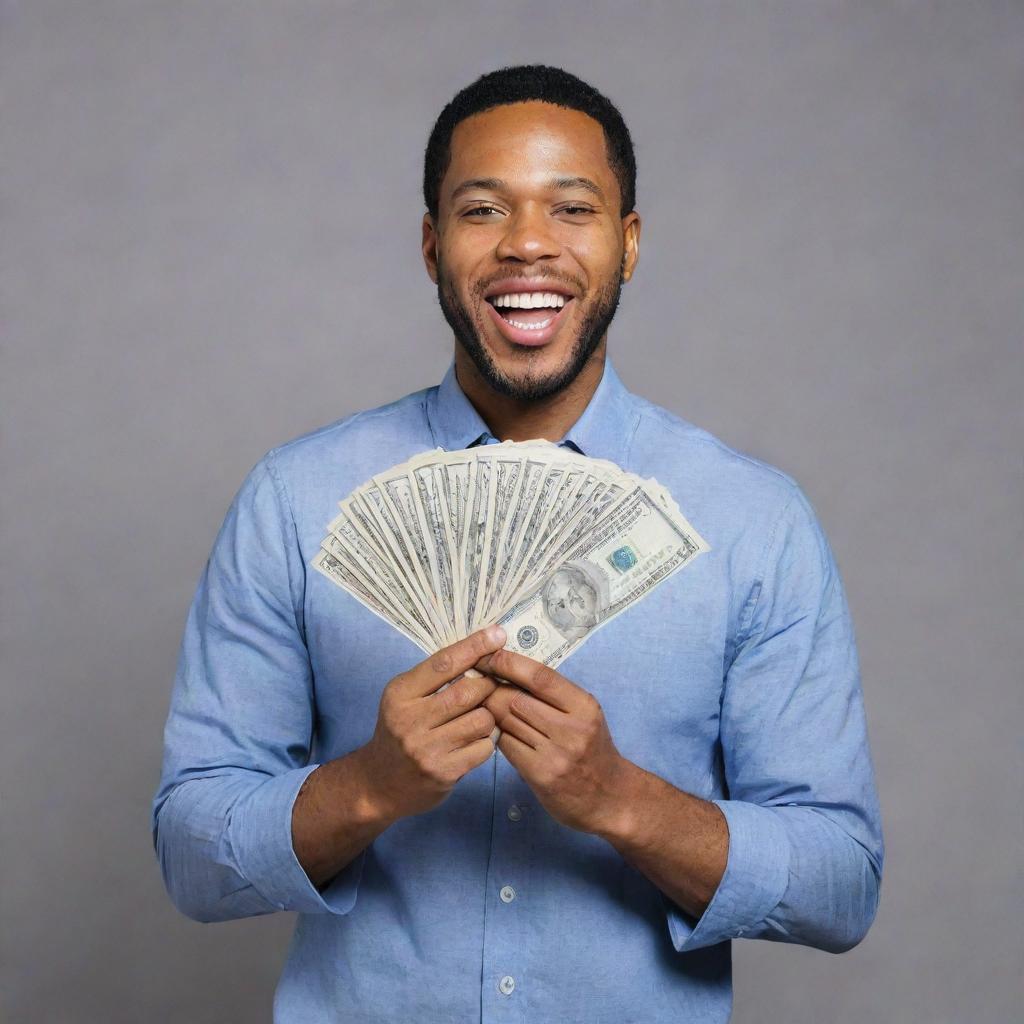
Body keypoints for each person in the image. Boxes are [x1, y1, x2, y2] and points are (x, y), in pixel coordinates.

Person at [152, 64, 884, 1022]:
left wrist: (620, 798)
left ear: (628, 246)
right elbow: (190, 856)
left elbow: (842, 885)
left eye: (572, 209)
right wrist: (369, 786)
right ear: (431, 244)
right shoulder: (297, 501)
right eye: (483, 209)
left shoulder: (751, 521)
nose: (527, 245)